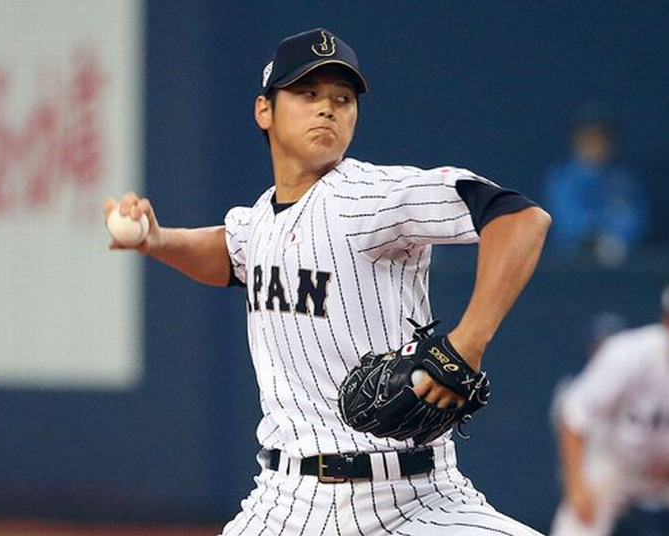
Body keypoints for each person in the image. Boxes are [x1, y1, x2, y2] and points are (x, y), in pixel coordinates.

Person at [105, 28, 551, 535]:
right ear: (264, 111)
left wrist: (468, 343)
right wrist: (156, 240)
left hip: (415, 500)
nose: (327, 109)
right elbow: (228, 251)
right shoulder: (262, 219)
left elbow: (521, 219)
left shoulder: (372, 195)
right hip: (282, 502)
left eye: (342, 98)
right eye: (307, 94)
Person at [550, 285, 669, 536]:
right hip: (618, 461)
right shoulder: (629, 352)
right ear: (665, 320)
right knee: (576, 524)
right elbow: (574, 415)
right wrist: (577, 486)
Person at [542, 103, 648, 267]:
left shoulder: (623, 179)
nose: (596, 144)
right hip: (572, 266)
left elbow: (634, 219)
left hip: (621, 263)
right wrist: (595, 238)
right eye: (589, 138)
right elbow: (566, 220)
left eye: (602, 138)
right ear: (578, 140)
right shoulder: (563, 178)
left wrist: (615, 239)